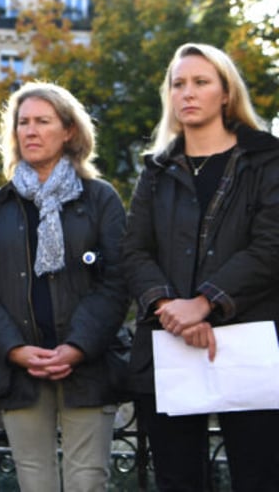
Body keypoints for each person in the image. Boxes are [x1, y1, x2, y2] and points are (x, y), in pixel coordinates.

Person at [122, 43, 279, 491]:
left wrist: (206, 302)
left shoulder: (268, 160)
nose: (187, 93)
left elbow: (271, 247)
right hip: (167, 344)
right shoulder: (156, 170)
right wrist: (173, 307)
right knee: (177, 481)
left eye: (201, 82)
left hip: (251, 344)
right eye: (178, 84)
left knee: (259, 477)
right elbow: (133, 251)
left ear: (226, 93)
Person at [0, 81, 129, 492]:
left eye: (43, 121)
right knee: (34, 484)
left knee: (86, 483)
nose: (31, 131)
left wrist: (77, 347)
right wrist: (15, 350)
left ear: (69, 131)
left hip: (88, 368)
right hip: (19, 372)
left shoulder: (100, 199)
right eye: (23, 122)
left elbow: (116, 281)